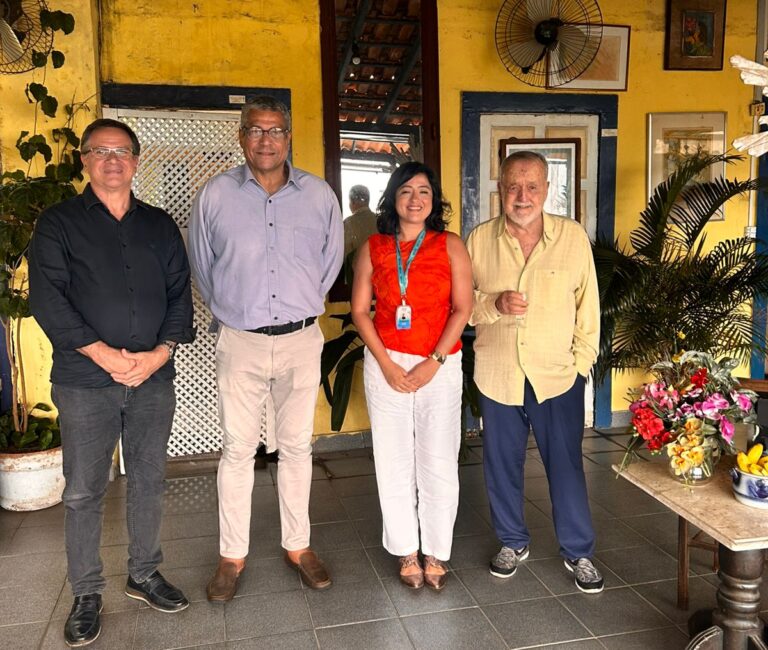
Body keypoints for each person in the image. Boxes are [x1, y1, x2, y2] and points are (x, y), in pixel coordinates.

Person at [28, 118, 196, 647]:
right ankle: (86, 592)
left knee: (148, 479)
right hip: (84, 379)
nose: (112, 159)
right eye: (100, 151)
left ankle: (144, 573)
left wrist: (156, 356)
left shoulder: (160, 226)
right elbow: (48, 300)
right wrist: (104, 355)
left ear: (136, 160)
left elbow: (179, 296)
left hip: (152, 378)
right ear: (84, 160)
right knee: (83, 490)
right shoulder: (57, 224)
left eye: (122, 150)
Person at [188, 96, 344, 600]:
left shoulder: (319, 195)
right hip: (241, 340)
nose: (266, 140)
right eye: (256, 130)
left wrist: (301, 305)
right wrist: (235, 309)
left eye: (275, 130)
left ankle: (298, 546)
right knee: (237, 449)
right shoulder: (215, 195)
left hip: (301, 339)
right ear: (241, 136)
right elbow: (202, 266)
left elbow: (330, 261)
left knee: (297, 446)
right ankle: (232, 556)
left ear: (289, 136)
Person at [465, 151, 603, 594]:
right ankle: (512, 541)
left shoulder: (572, 237)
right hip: (498, 372)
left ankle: (578, 550)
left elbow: (589, 307)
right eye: (513, 186)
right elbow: (463, 306)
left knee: (565, 466)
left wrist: (581, 364)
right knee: (500, 464)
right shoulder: (479, 240)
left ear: (547, 191)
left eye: (531, 187)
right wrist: (494, 304)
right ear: (500, 189)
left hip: (557, 375)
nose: (522, 196)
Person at [351, 162, 472, 590]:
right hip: (386, 363)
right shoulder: (374, 246)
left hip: (439, 364)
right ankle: (406, 549)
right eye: (406, 191)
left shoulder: (450, 245)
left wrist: (432, 361)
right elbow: (359, 312)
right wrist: (386, 364)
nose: (415, 199)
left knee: (439, 460)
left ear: (433, 200)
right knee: (393, 459)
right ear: (393, 199)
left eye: (423, 191)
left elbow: (463, 309)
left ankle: (436, 550)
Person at [344, 184, 378, 257]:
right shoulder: (380, 220)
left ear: (352, 202)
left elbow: (343, 254)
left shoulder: (348, 223)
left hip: (355, 266)